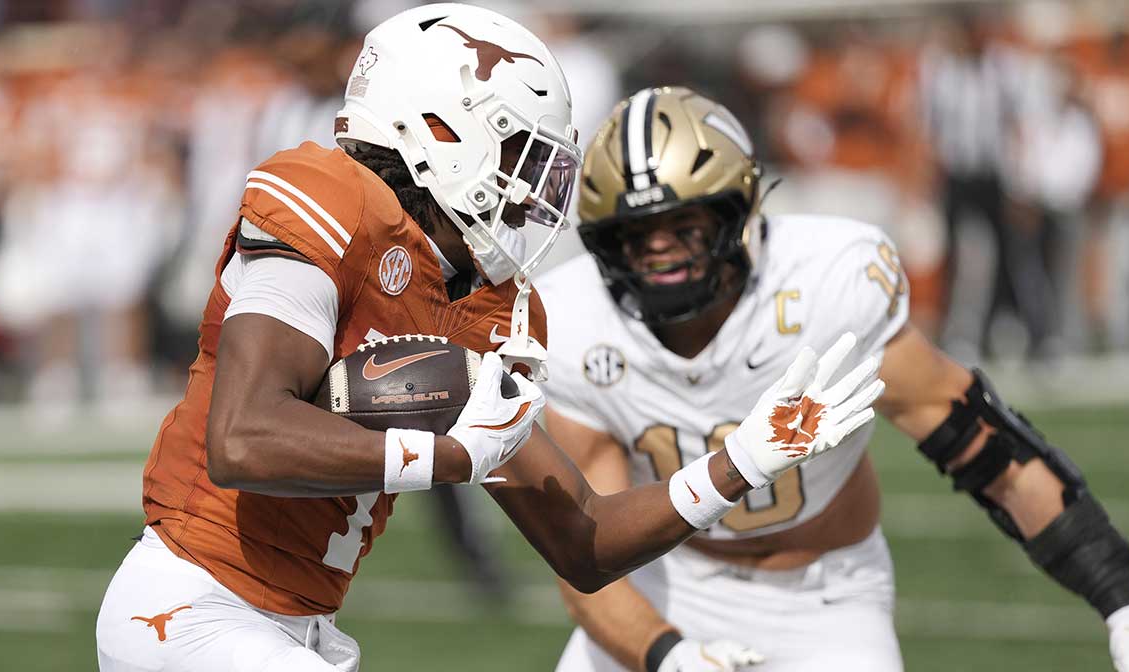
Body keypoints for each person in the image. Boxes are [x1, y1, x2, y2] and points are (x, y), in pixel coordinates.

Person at [94, 7, 881, 671]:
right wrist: (448, 456)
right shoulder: (327, 197)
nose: (537, 189)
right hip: (189, 609)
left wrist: (743, 458)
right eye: (519, 153)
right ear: (436, 129)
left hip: (296, 630)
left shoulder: (494, 307)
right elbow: (244, 436)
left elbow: (584, 538)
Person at [538, 86, 1129, 672]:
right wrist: (666, 652)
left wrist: (1119, 597)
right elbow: (591, 548)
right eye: (635, 236)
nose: (660, 252)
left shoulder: (827, 283)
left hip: (824, 600)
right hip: (667, 582)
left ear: (735, 211)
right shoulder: (573, 322)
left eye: (684, 226)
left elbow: (989, 453)